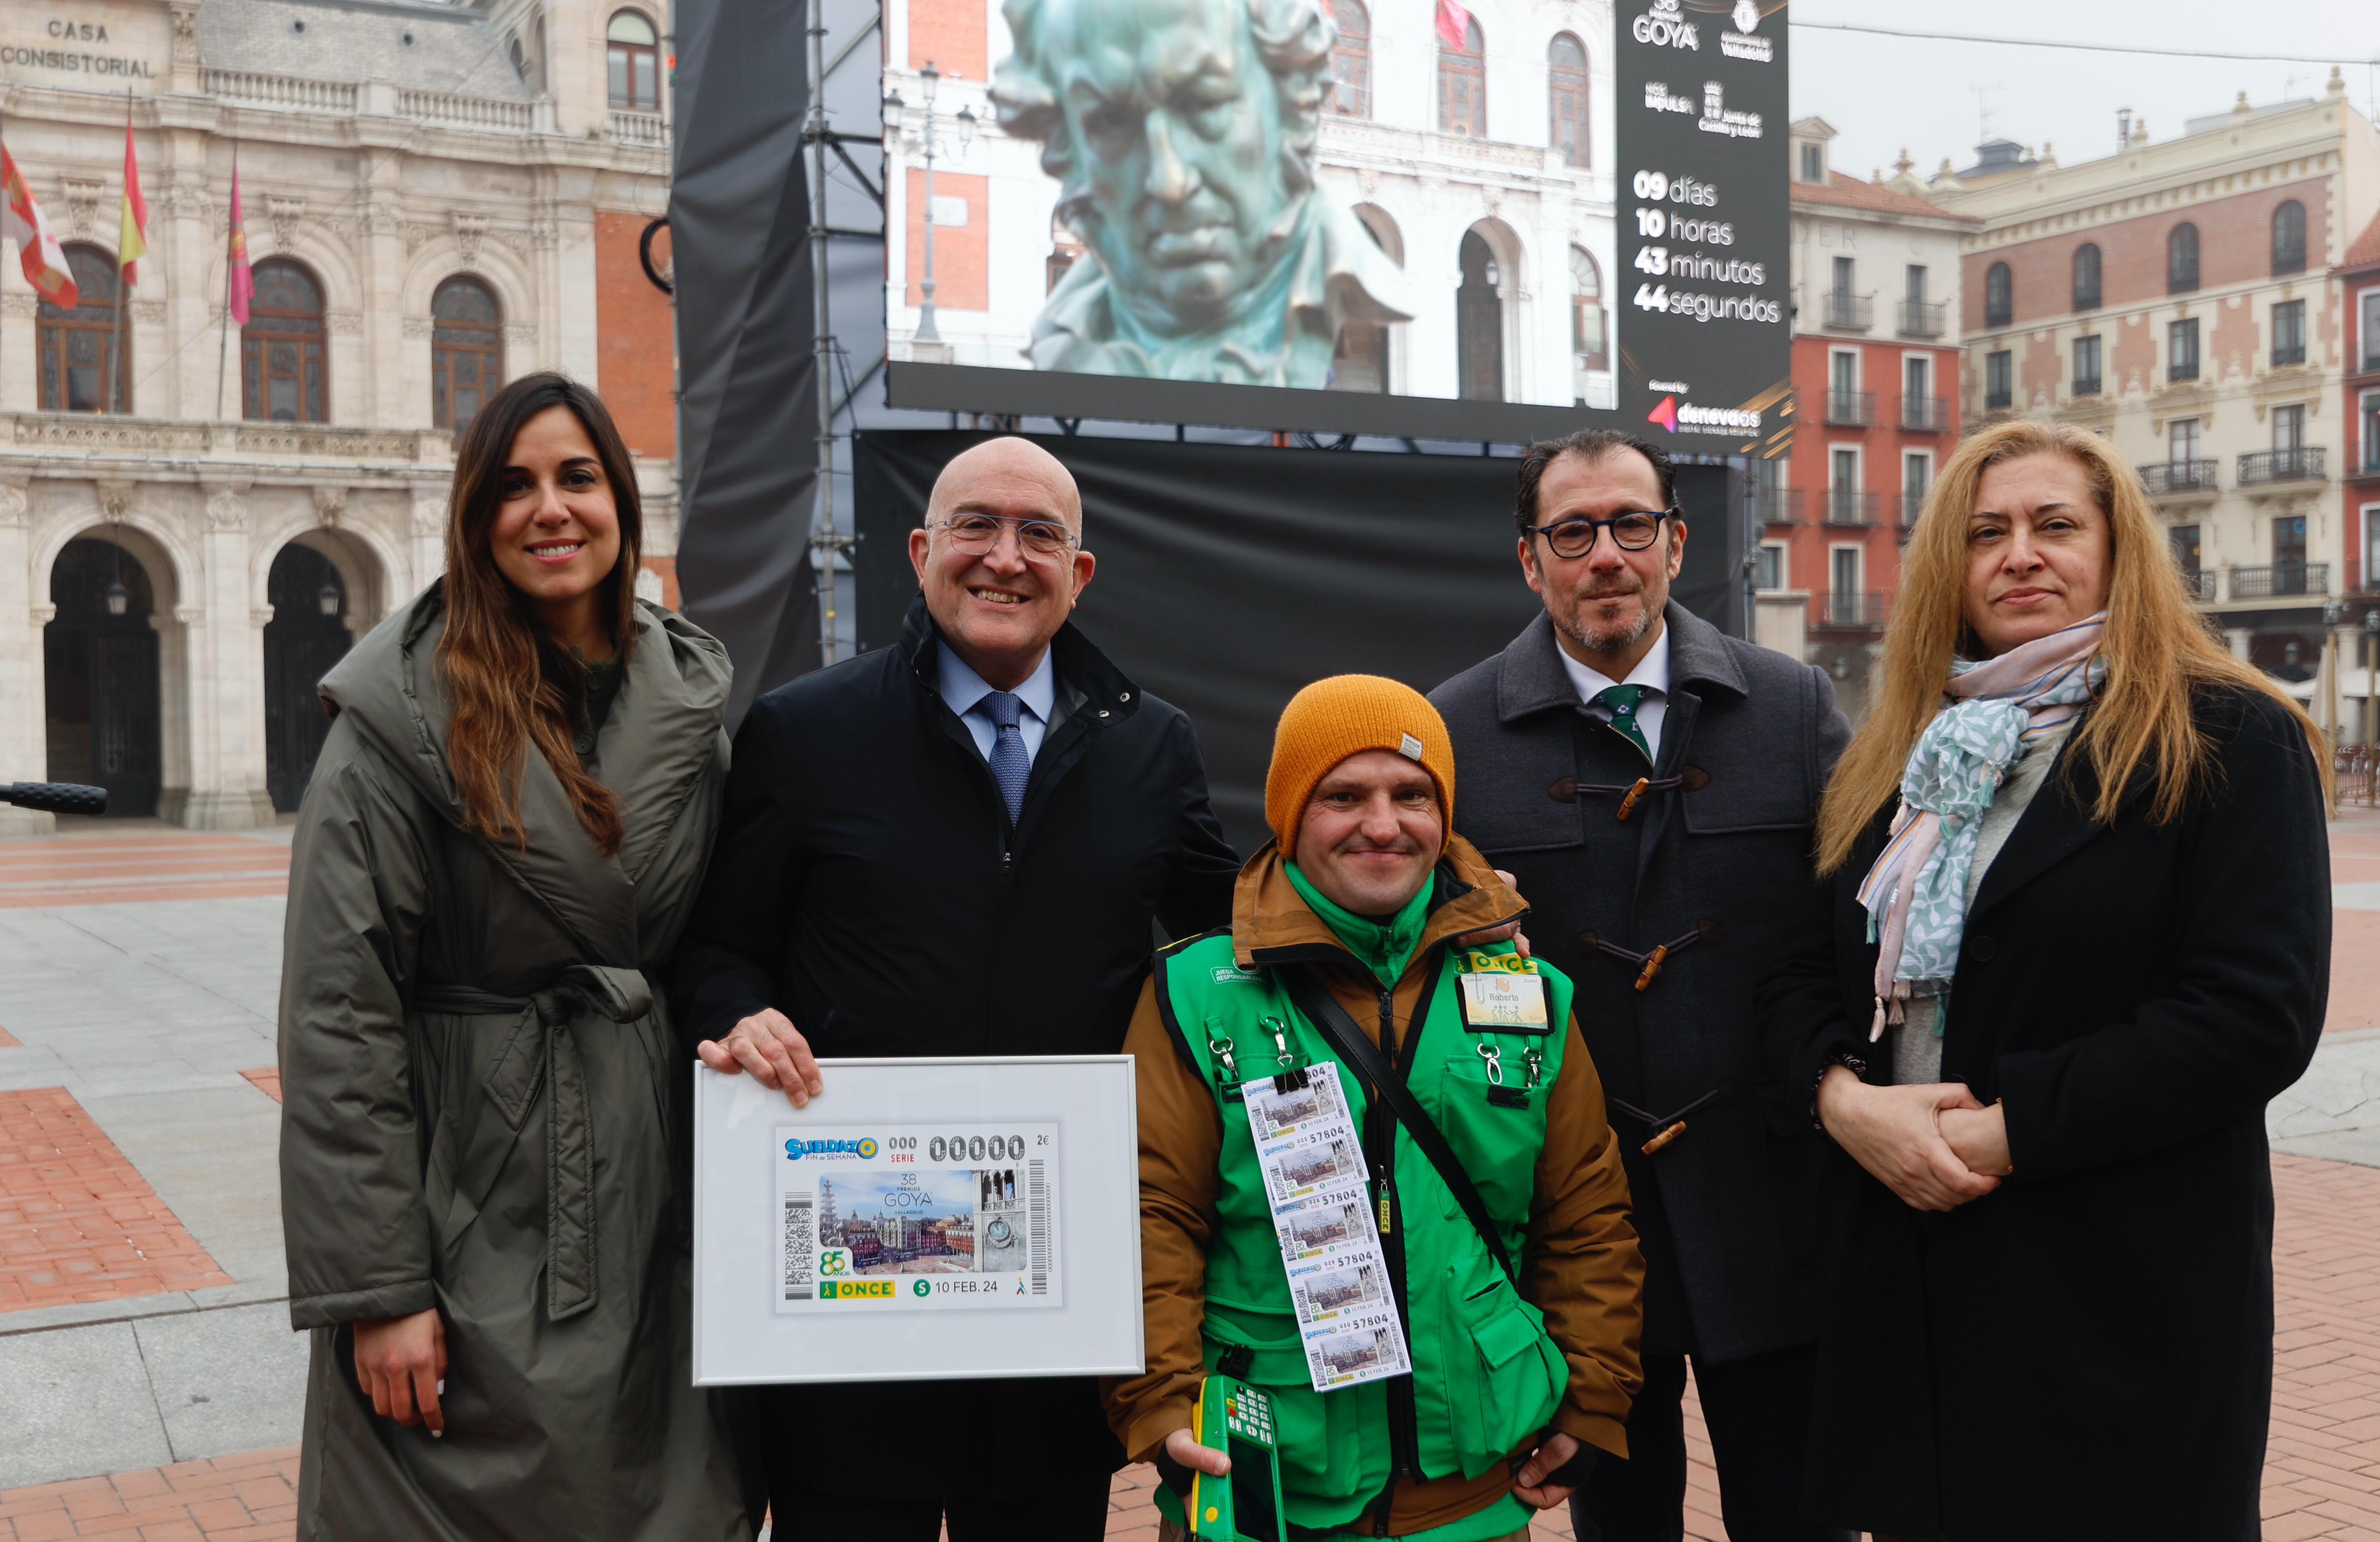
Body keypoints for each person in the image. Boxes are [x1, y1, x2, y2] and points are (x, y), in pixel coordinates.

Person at [1754, 419, 2332, 1541]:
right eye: (1986, 533)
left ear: (2116, 550)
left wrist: (2007, 1130)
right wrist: (1844, 1100)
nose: (2019, 554)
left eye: (2054, 525)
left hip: (2118, 1288)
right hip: (1912, 1284)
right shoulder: (1907, 751)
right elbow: (1796, 970)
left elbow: (2254, 1013)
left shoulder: (2228, 735)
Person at [672, 434, 1240, 1540]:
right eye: (976, 525)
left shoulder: (1151, 746)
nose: (1005, 557)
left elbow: (1236, 937)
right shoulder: (806, 730)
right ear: (922, 551)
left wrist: (1433, 906)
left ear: (1078, 574)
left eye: (1039, 534)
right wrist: (738, 1011)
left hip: (1055, 1295)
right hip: (851, 1294)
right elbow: (717, 946)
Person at [277, 374, 757, 1541]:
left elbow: (720, 938)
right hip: (468, 1190)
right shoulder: (398, 719)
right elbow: (339, 1014)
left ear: (622, 502)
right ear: (474, 517)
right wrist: (380, 1289)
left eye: (577, 476)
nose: (550, 508)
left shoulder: (690, 705)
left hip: (656, 1186)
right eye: (513, 484)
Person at [1430, 430, 1850, 1542]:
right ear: (1531, 560)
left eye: (1630, 524)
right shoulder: (1452, 733)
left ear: (1675, 542)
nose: (1605, 554)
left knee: (1805, 1518)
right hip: (1577, 1234)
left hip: (1778, 1209)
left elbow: (1863, 932)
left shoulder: (1793, 707)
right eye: (1573, 532)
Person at [1110, 675, 1646, 1539]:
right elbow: (1151, 1212)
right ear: (1291, 814)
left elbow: (1586, 1213)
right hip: (1261, 1480)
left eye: (1413, 794)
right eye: (1343, 796)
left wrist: (1593, 1396)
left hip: (1474, 1490)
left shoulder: (1529, 991)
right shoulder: (1196, 990)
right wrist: (1160, 1402)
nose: (1385, 824)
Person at [990, 0, 1410, 385]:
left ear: (1288, 98)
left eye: (1205, 104)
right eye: (1112, 122)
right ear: (1066, 145)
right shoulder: (1064, 344)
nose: (1169, 181)